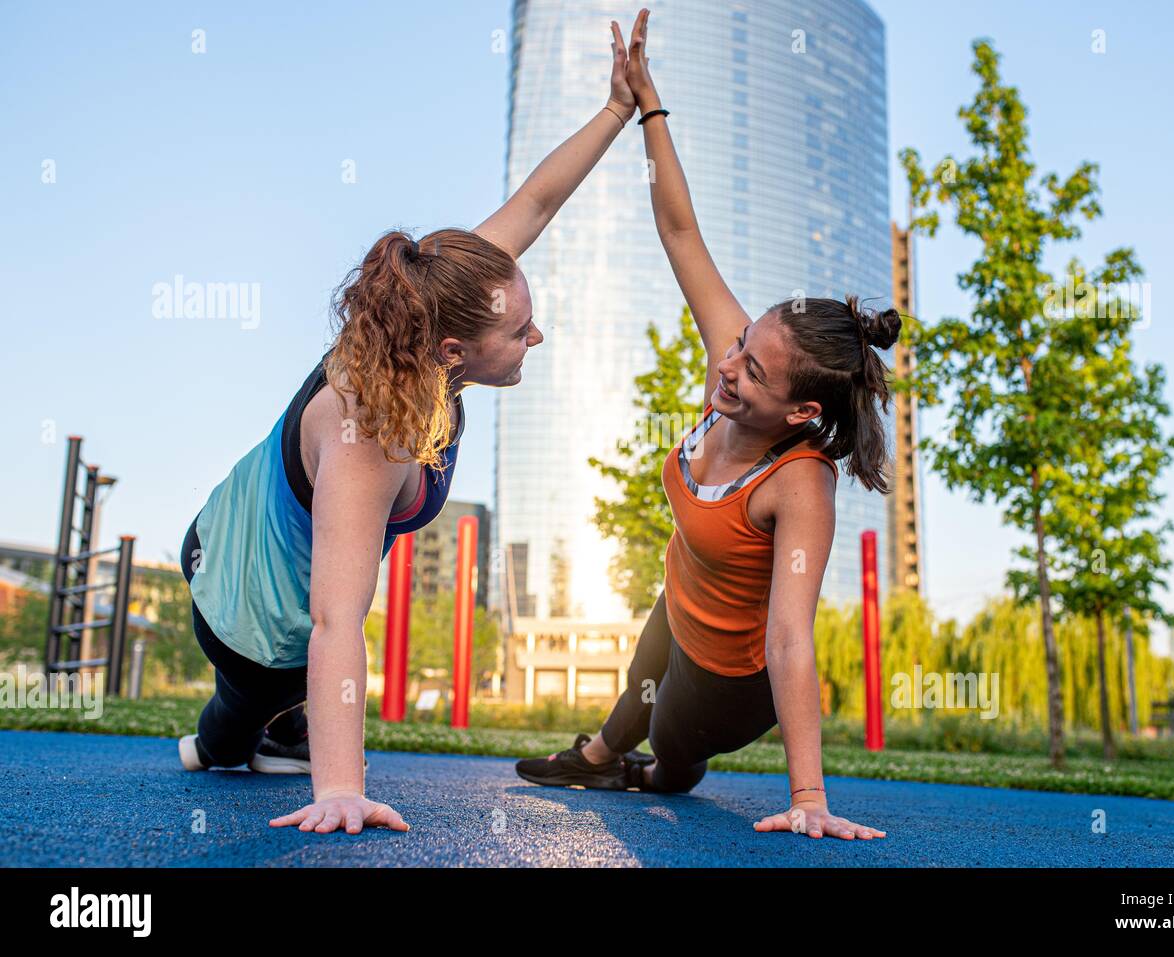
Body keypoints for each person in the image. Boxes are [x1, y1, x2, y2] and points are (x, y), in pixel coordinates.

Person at [176, 19, 643, 837]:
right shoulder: (370, 431)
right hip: (239, 601)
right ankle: (238, 729)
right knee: (235, 721)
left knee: (288, 705)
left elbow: (534, 203)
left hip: (263, 557)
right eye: (522, 330)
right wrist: (341, 787)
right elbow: (335, 621)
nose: (536, 335)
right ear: (457, 350)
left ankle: (286, 724)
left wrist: (615, 109)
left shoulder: (442, 297)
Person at [515, 9, 891, 841]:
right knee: (663, 617)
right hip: (680, 607)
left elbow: (791, 636)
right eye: (742, 345)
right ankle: (601, 750)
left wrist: (810, 796)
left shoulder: (799, 483)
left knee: (673, 761)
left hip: (729, 679)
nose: (728, 365)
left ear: (800, 411)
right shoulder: (734, 362)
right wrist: (647, 105)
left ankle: (640, 761)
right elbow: (681, 230)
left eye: (753, 369)